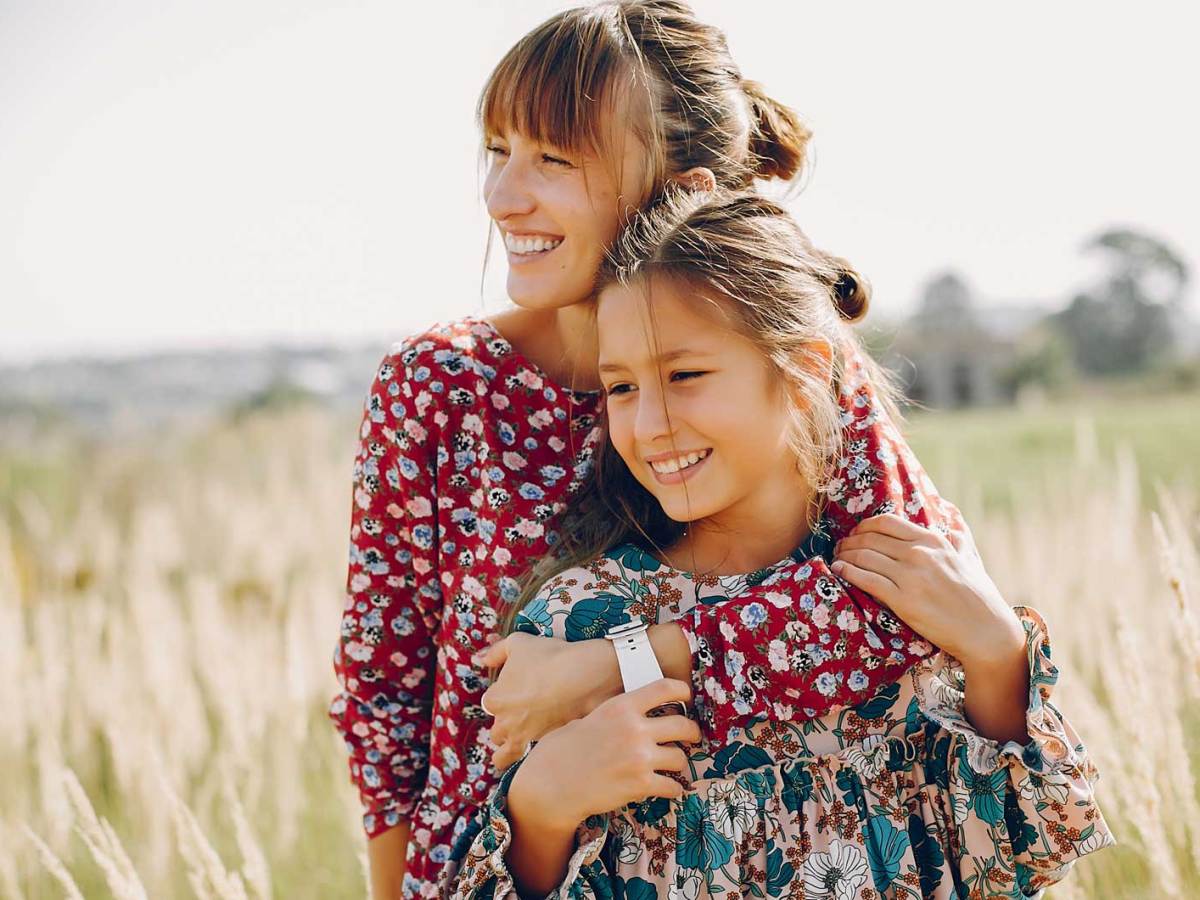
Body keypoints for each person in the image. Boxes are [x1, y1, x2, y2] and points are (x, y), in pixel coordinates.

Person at [439, 190, 1114, 900]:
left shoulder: (893, 592)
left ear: (802, 370)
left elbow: (1022, 856)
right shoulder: (583, 622)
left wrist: (1001, 658)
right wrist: (541, 805)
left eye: (684, 375)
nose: (650, 424)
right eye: (622, 388)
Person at [328, 3, 824, 897]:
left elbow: (889, 614)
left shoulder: (782, 363)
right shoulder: (440, 386)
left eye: (553, 159)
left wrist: (625, 662)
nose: (502, 196)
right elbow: (383, 689)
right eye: (498, 151)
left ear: (685, 190)